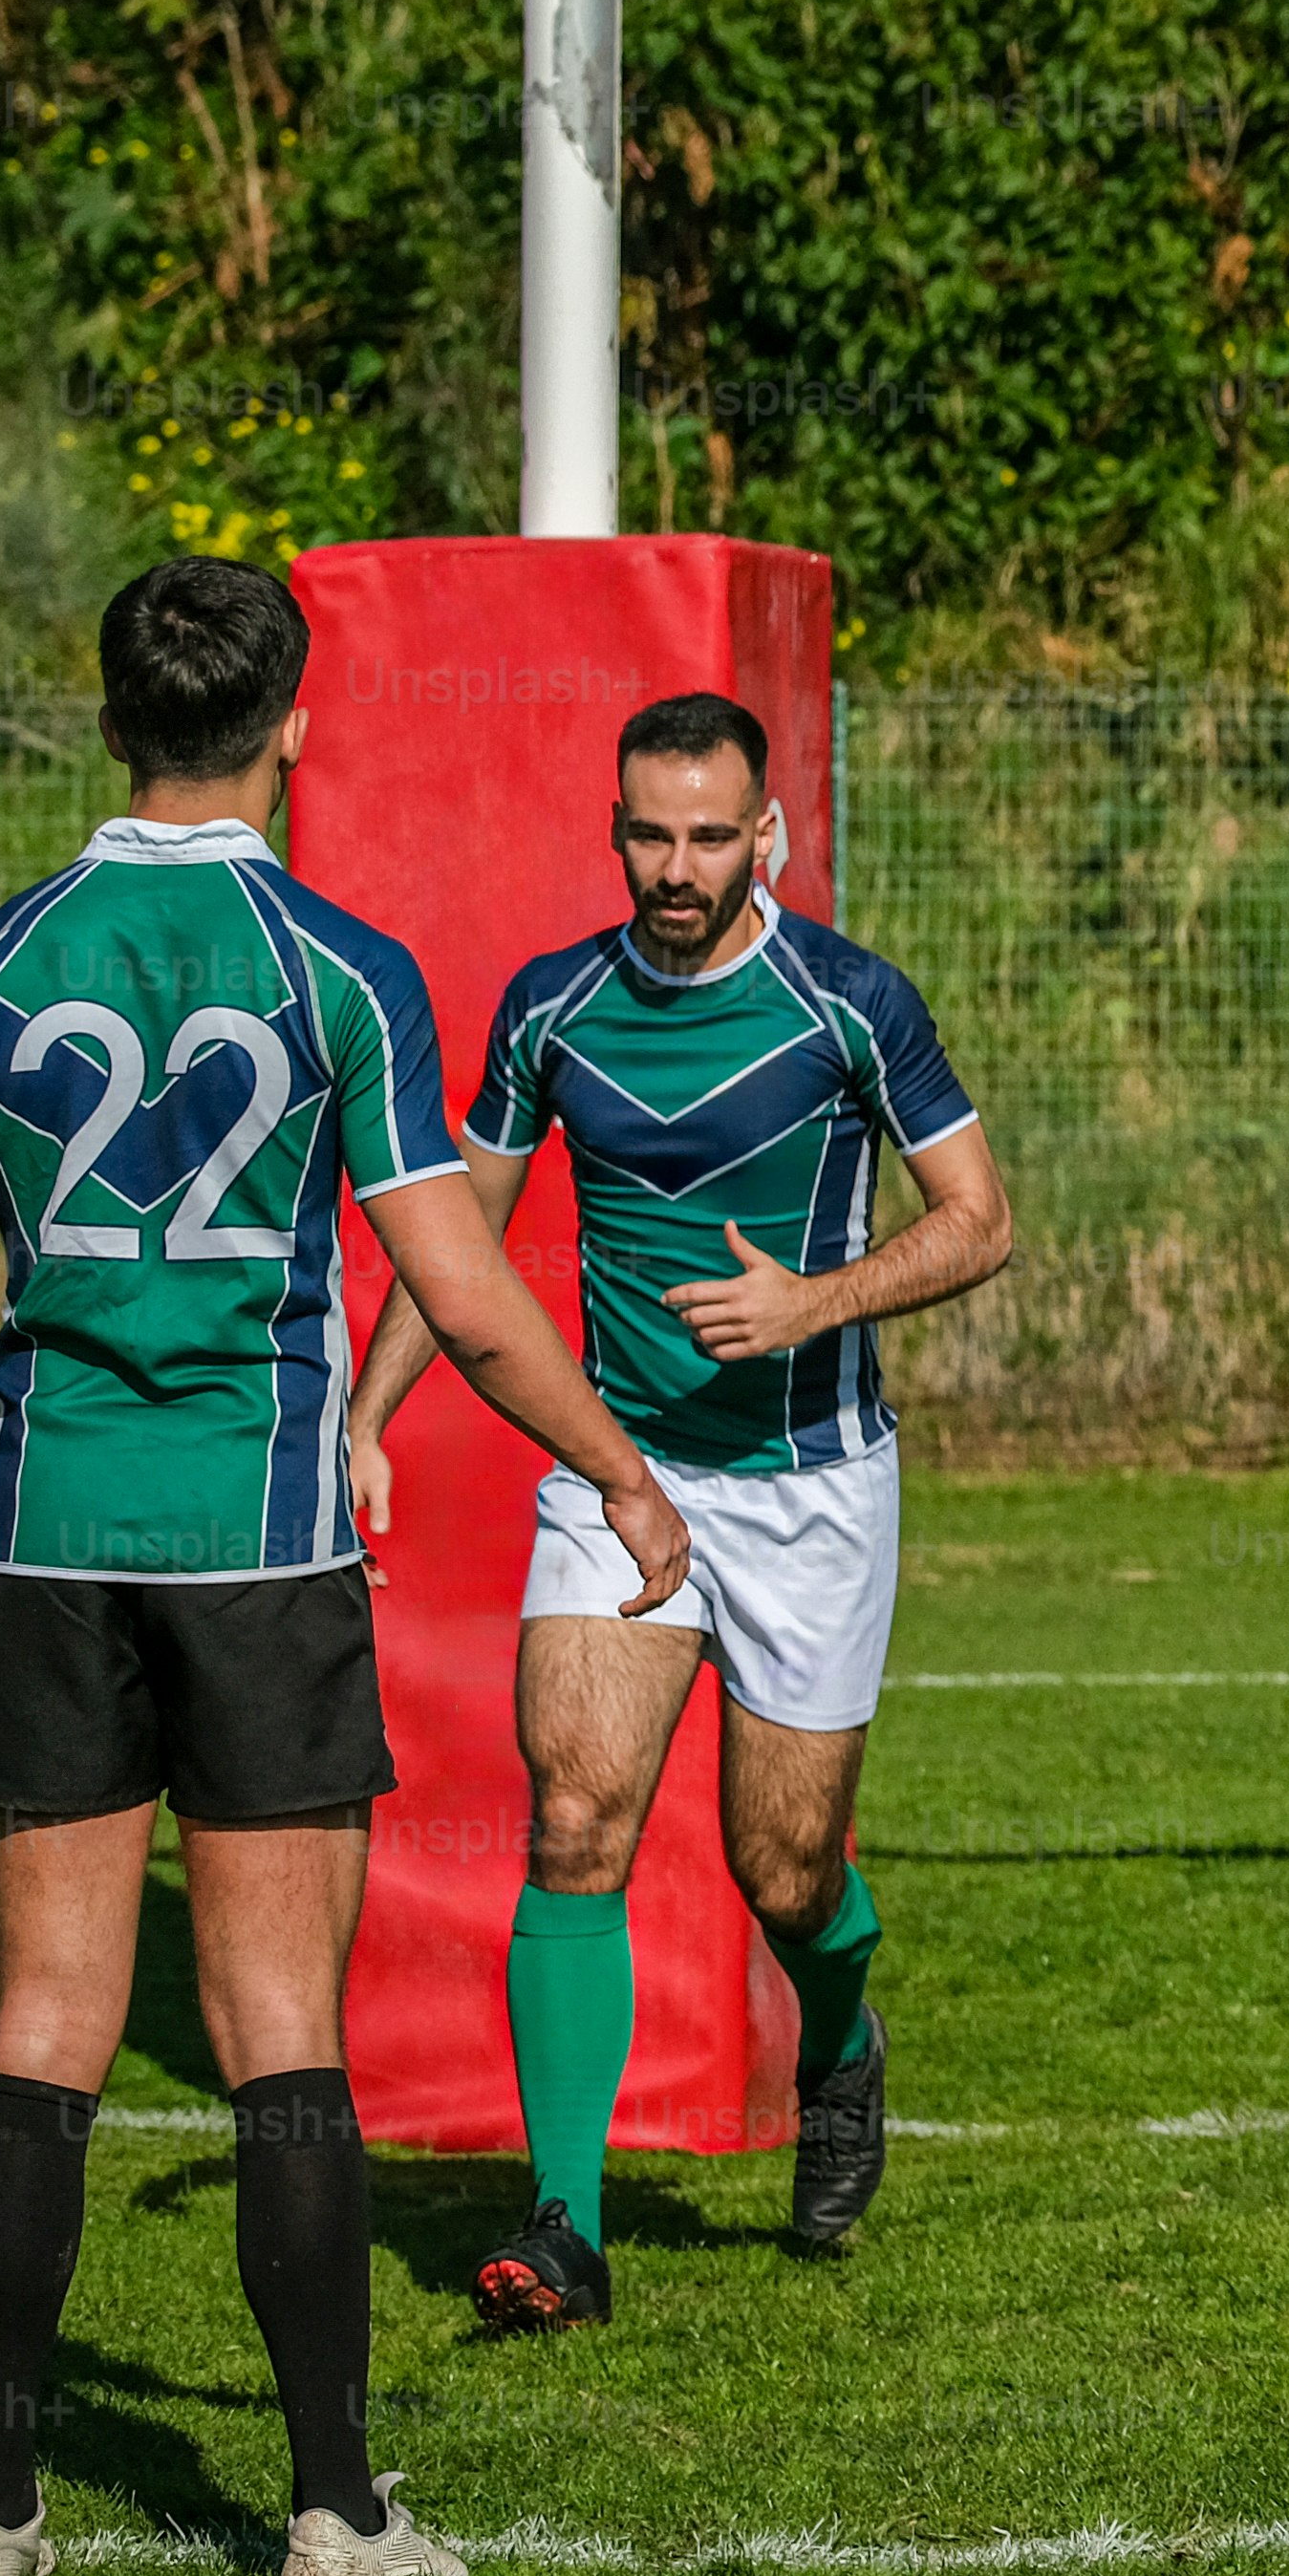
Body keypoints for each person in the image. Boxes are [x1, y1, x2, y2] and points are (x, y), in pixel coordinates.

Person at [0, 559, 698, 2576]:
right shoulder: (340, 965)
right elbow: (464, 1289)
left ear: (106, 721)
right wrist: (615, 1469)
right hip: (258, 1547)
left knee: (46, 2025)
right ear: (292, 727)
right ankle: (337, 2512)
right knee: (280, 2025)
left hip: (44, 1539)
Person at [342, 692, 1007, 2330]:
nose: (680, 865)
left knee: (783, 1869)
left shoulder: (849, 1005)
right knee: (574, 1815)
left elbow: (981, 1223)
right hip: (619, 1476)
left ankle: (840, 2041)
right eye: (653, 833)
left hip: (813, 1486)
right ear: (617, 826)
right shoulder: (552, 1006)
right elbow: (460, 1243)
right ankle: (562, 2230)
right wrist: (364, 1418)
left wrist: (814, 1304)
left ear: (763, 833)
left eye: (715, 834)